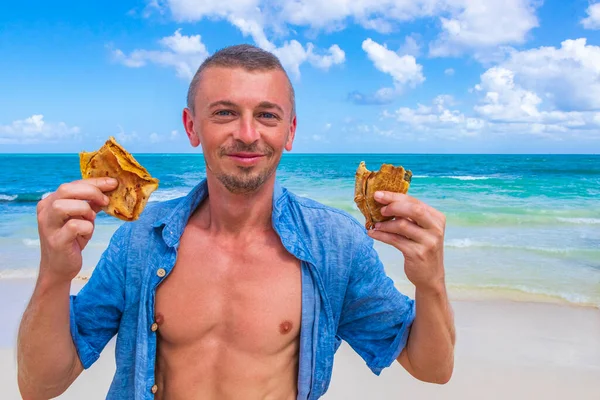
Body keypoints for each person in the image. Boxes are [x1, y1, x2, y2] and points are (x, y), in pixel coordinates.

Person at [17, 44, 455, 400]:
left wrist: (430, 280)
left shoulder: (335, 245)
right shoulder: (138, 240)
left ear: (290, 131)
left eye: (267, 115)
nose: (247, 133)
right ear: (192, 127)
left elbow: (431, 368)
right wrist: (55, 274)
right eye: (224, 112)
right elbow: (41, 386)